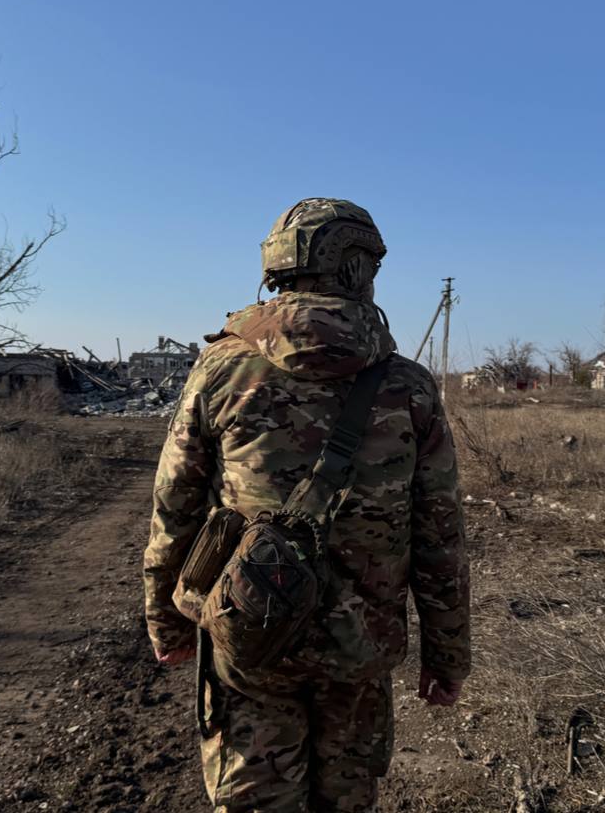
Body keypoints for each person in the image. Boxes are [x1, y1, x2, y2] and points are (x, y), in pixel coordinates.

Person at [143, 198, 470, 812]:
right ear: (355, 271)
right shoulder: (408, 386)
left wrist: (166, 617)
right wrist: (448, 654)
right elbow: (440, 536)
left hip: (248, 637)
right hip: (359, 649)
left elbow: (175, 506)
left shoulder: (220, 369)